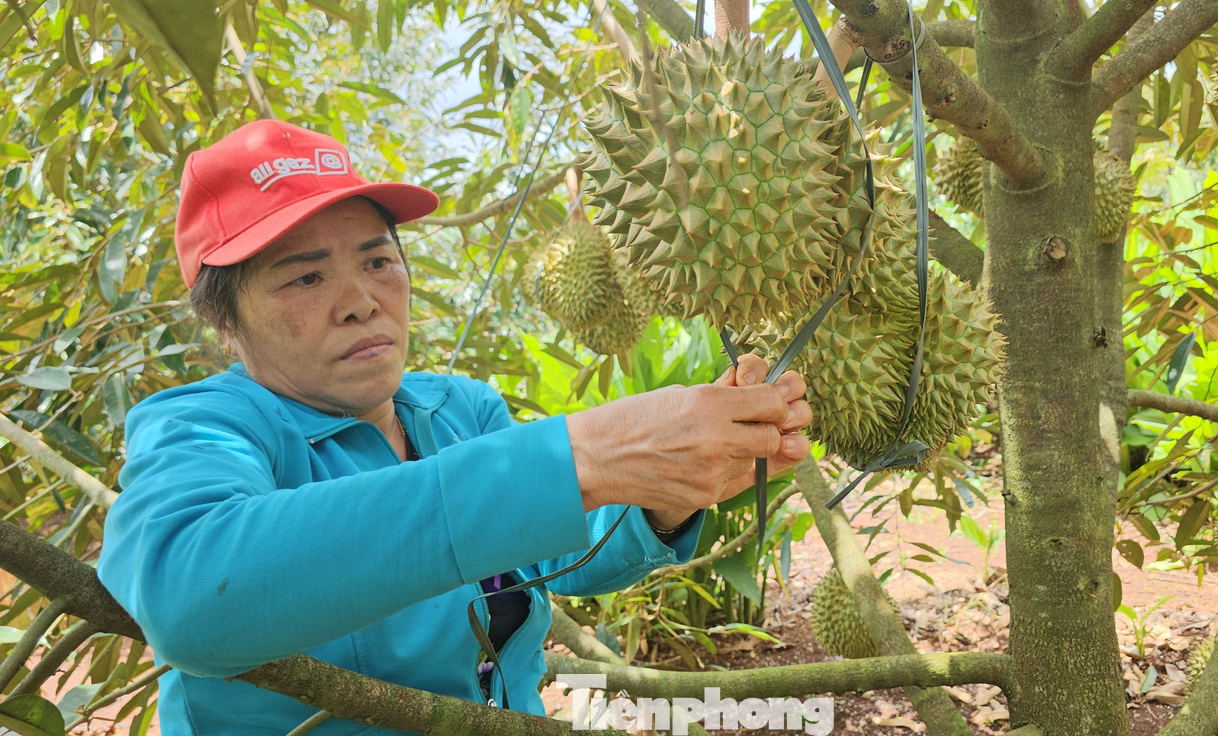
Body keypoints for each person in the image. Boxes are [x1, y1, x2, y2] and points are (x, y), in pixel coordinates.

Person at [96, 120, 811, 733]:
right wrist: (587, 454)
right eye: (305, 277)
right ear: (225, 320)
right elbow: (190, 600)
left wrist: (663, 489)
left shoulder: (457, 409)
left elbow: (566, 555)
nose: (361, 301)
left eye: (378, 260)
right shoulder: (201, 427)